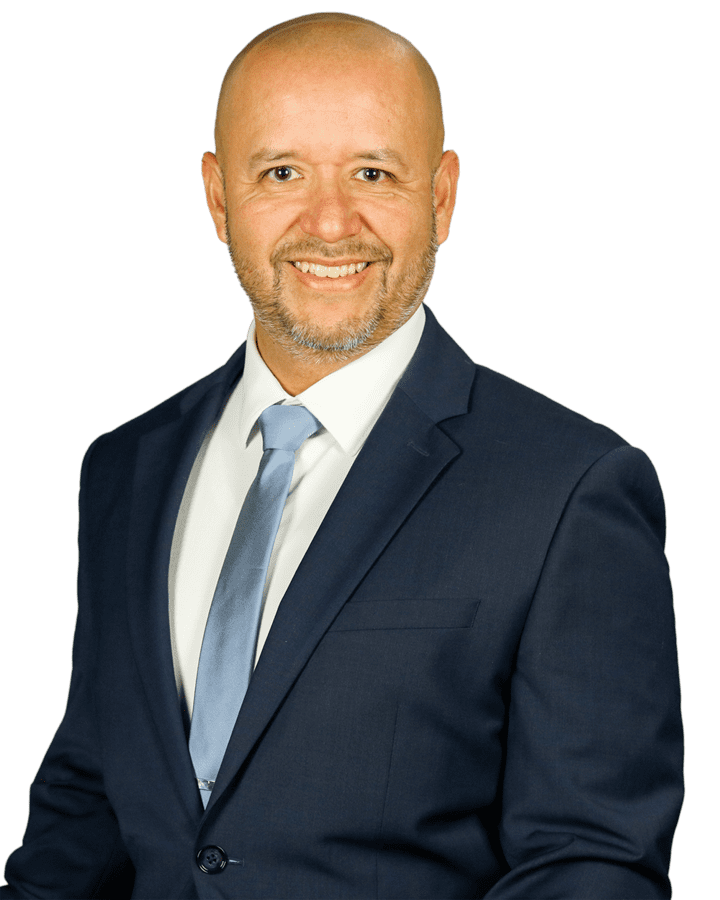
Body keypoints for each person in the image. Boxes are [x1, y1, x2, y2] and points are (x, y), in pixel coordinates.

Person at [2, 11, 683, 900]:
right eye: (281, 172)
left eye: (373, 173)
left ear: (441, 198)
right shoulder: (125, 469)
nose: (330, 223)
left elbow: (592, 863)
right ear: (219, 199)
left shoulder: (570, 489)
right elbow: (88, 810)